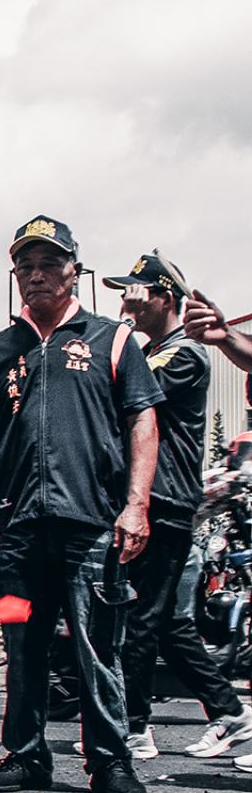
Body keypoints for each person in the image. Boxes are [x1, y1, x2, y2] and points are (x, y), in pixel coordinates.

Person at [0, 216, 162, 793]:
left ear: (75, 270)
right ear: (15, 275)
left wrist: (136, 506)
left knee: (99, 644)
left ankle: (109, 759)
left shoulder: (112, 340)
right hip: (22, 523)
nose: (38, 275)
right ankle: (25, 755)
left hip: (94, 521)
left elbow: (142, 421)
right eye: (26, 265)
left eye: (50, 264)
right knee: (23, 645)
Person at [100, 254, 252, 760]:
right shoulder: (156, 350)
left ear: (164, 296)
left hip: (163, 500)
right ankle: (229, 712)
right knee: (165, 624)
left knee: (144, 617)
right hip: (156, 500)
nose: (125, 299)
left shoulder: (181, 356)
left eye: (134, 290)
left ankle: (136, 727)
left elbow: (121, 394)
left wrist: (110, 335)